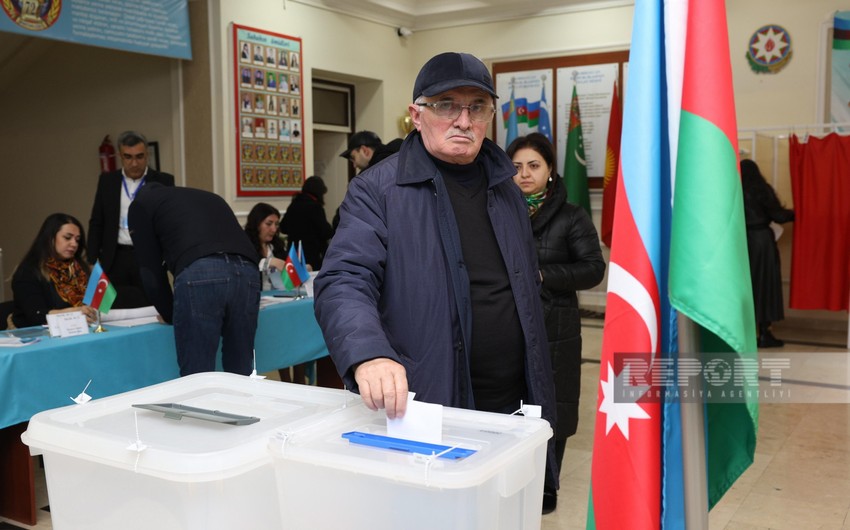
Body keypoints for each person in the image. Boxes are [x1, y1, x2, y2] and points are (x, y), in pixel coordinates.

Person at [313, 52, 558, 505]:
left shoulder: (506, 187)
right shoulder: (379, 190)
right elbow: (344, 278)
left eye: (477, 107)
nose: (463, 120)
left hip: (513, 405)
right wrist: (369, 355)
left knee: (503, 510)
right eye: (446, 105)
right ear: (416, 115)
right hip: (432, 402)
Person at [507, 133, 605, 513]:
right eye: (516, 167)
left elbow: (594, 268)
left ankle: (548, 487)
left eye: (534, 166)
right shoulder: (497, 208)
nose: (524, 174)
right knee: (513, 405)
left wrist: (544, 275)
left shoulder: (571, 215)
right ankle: (513, 481)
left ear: (550, 170)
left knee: (553, 407)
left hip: (556, 327)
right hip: (508, 325)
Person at [129, 183, 261, 377]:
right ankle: (243, 407)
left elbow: (150, 271)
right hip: (249, 271)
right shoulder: (207, 196)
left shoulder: (140, 204)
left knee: (198, 375)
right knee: (241, 369)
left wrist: (170, 313)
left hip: (202, 271)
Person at [87, 131, 175, 309]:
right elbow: (97, 221)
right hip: (115, 256)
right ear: (120, 156)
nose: (134, 163)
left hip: (148, 255)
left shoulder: (163, 181)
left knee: (154, 307)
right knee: (109, 309)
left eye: (139, 157)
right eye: (128, 157)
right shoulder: (107, 181)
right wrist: (91, 259)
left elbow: (169, 223)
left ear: (147, 155)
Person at [741, 159, 795, 348]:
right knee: (765, 285)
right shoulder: (761, 189)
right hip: (762, 242)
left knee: (747, 287)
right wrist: (798, 213)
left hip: (741, 242)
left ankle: (745, 333)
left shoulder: (733, 190)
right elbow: (778, 215)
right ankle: (765, 333)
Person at [10, 213, 98, 329]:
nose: (74, 244)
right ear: (50, 238)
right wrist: (76, 312)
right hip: (34, 336)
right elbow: (37, 315)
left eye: (77, 240)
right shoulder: (28, 271)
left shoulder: (80, 269)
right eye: (67, 237)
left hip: (76, 330)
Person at [333, 131, 403, 229]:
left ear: (365, 150)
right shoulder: (402, 159)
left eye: (353, 158)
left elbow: (345, 218)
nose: (354, 165)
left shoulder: (367, 178)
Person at [281, 176, 334, 270]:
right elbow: (325, 232)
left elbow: (283, 227)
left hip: (294, 254)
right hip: (312, 255)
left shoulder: (294, 204)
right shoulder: (315, 207)